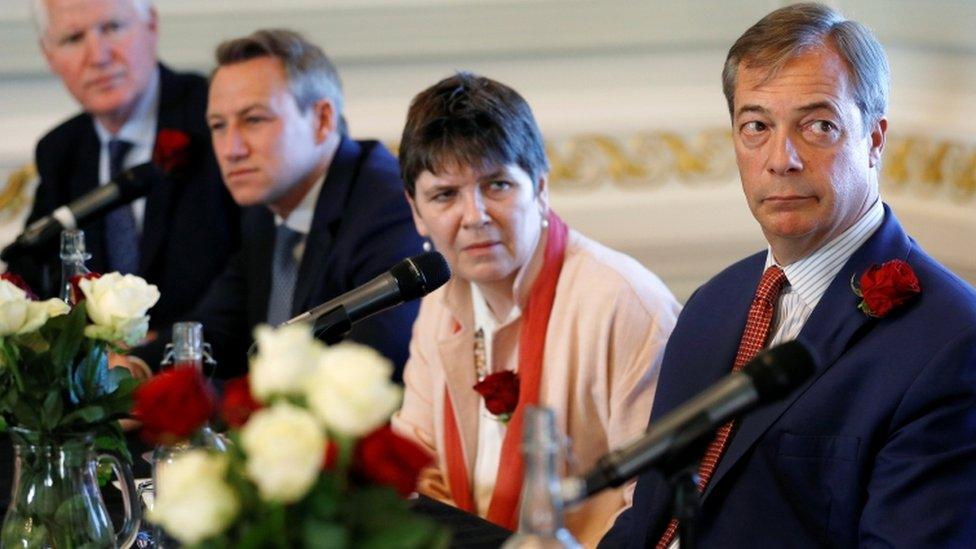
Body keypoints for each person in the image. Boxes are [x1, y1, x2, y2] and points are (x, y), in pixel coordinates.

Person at [602, 4, 976, 547]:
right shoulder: (713, 303)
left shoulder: (951, 341)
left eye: (818, 126)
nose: (782, 159)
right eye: (756, 126)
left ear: (874, 139)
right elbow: (651, 517)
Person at [391, 72, 681, 547]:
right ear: (416, 211)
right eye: (445, 195)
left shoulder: (621, 300)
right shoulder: (436, 307)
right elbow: (416, 475)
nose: (475, 215)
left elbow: (656, 505)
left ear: (541, 187)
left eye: (497, 185)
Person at [144, 29, 425, 379]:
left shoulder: (386, 207)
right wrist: (136, 367)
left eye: (254, 120)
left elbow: (369, 369)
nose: (232, 149)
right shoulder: (266, 208)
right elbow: (216, 328)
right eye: (218, 125)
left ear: (322, 120)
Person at [13, 0, 240, 334]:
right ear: (49, 56)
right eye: (73, 39)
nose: (99, 56)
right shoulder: (60, 150)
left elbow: (252, 265)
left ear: (152, 26)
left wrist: (154, 352)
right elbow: (32, 279)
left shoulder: (218, 118)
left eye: (112, 28)